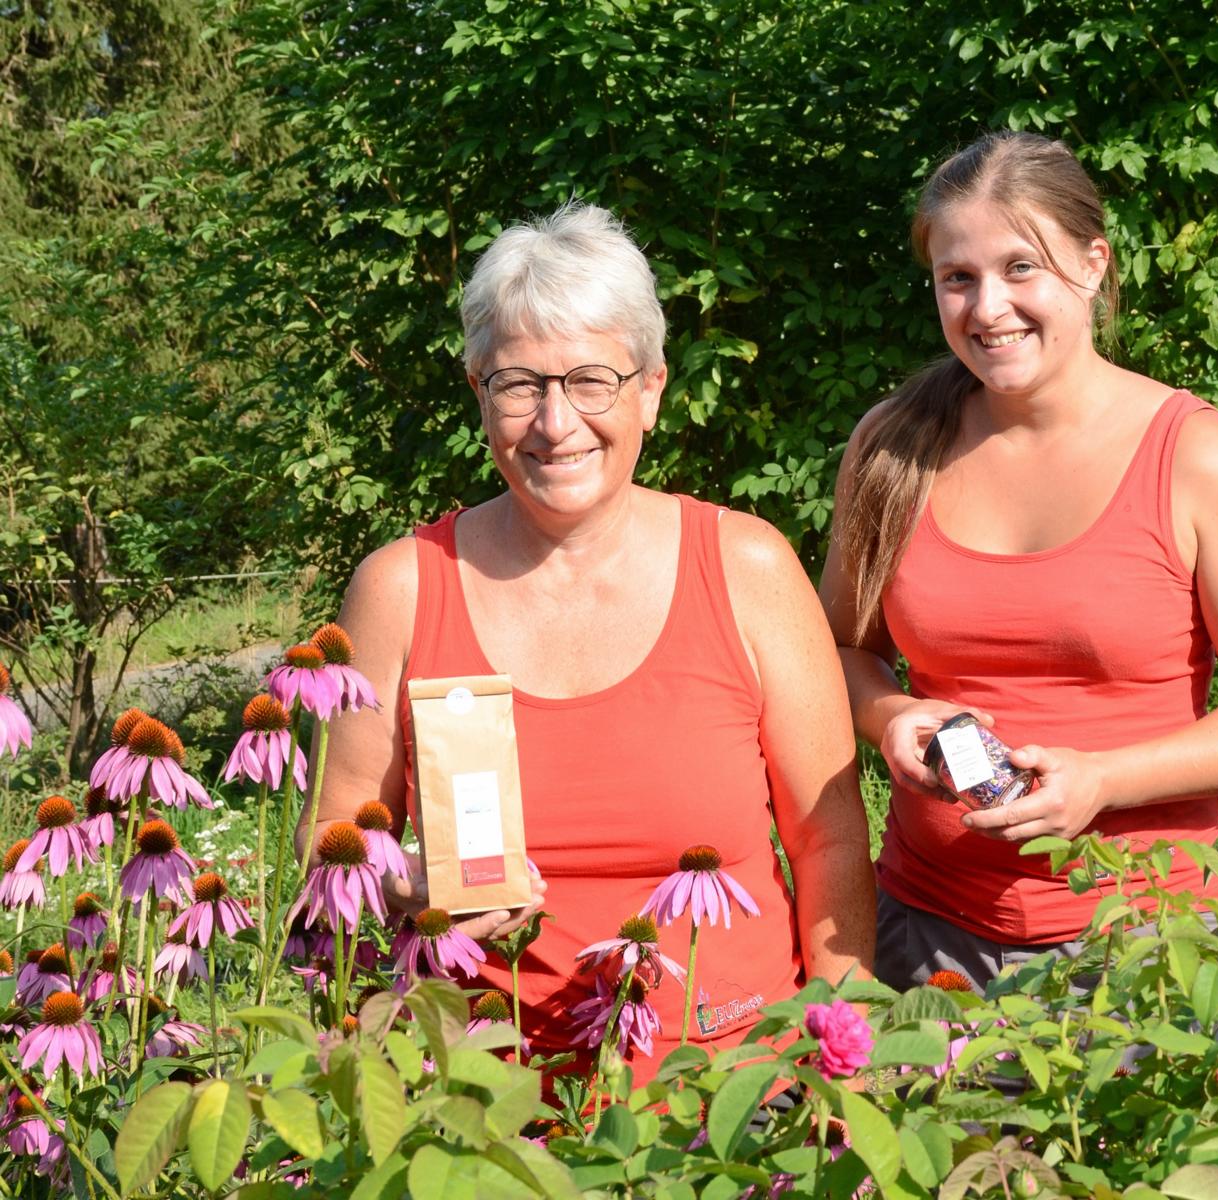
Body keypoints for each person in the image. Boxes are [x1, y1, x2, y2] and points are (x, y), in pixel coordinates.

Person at [304, 202, 875, 1082]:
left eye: (591, 380)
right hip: (479, 1106)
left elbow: (829, 843)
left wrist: (843, 1073)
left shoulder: (748, 567)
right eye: (520, 384)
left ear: (651, 388)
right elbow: (328, 838)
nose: (555, 423)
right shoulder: (402, 587)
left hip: (732, 1109)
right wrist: (396, 883)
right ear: (477, 394)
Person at [819, 132, 1218, 991]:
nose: (988, 308)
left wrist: (1103, 779)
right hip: (925, 936)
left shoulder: (1197, 459)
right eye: (959, 278)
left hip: (1149, 946)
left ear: (1093, 265)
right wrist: (892, 716)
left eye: (1022, 268)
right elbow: (837, 654)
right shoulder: (892, 447)